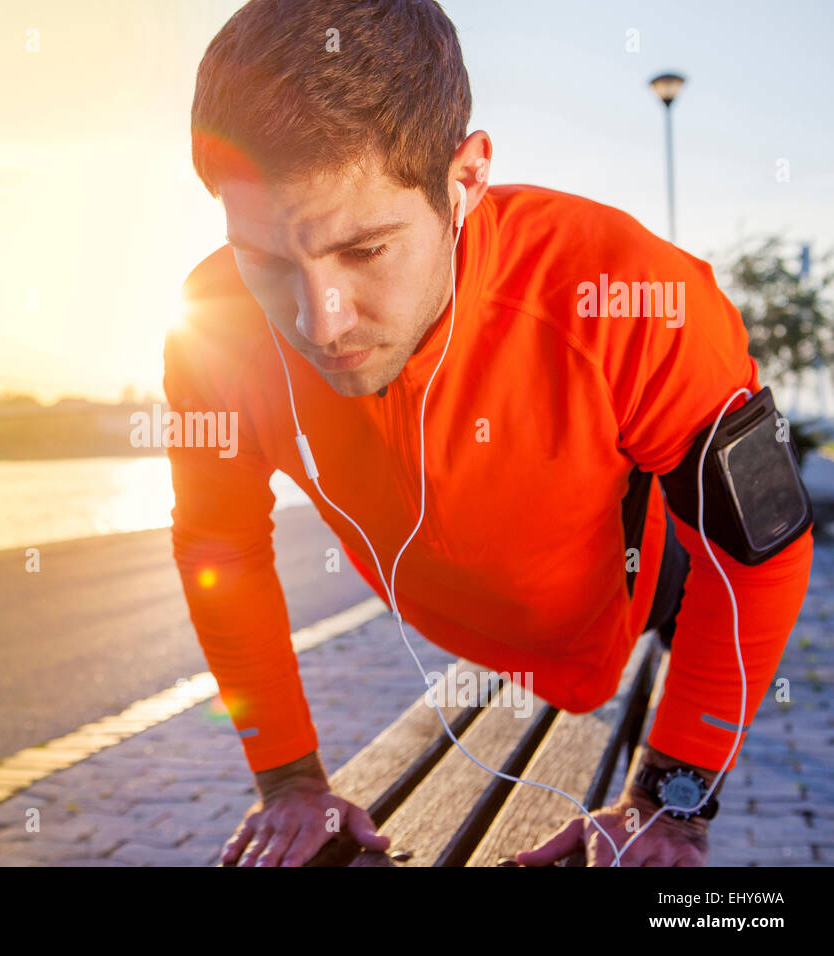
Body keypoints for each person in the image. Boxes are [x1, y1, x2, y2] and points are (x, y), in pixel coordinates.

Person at [164, 0, 813, 867]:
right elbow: (219, 543)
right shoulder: (211, 331)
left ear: (464, 180)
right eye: (269, 261)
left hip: (650, 580)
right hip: (477, 603)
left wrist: (672, 804)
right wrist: (289, 781)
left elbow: (761, 553)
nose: (320, 322)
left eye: (366, 251)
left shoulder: (631, 295)